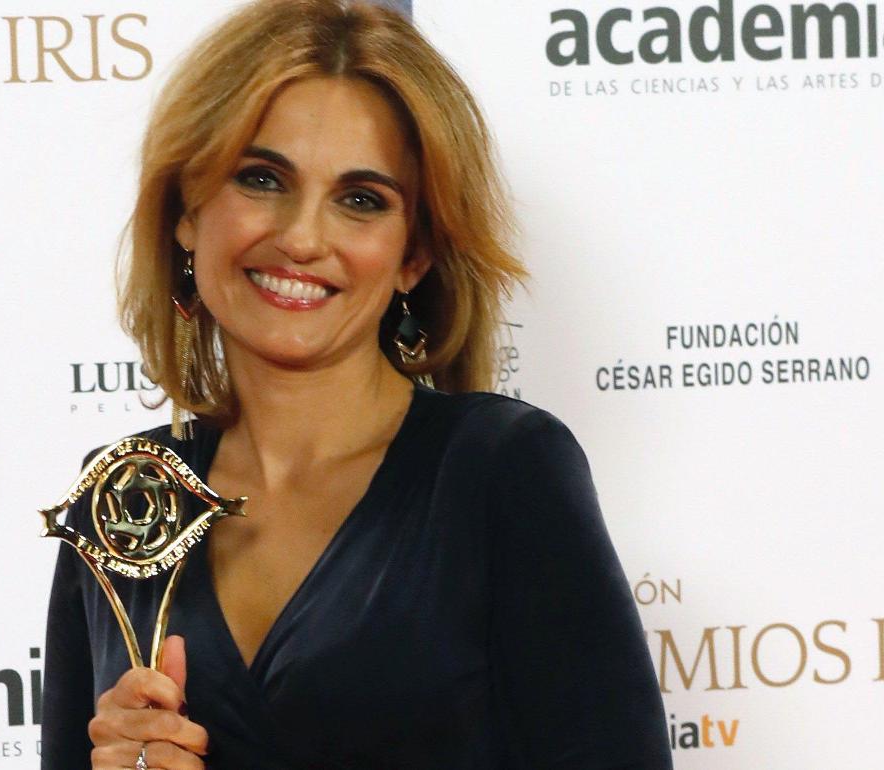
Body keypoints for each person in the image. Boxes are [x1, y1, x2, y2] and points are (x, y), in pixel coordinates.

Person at [42, 1, 673, 768]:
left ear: (414, 255)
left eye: (361, 200)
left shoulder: (500, 470)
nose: (303, 237)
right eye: (261, 178)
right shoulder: (125, 498)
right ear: (187, 211)